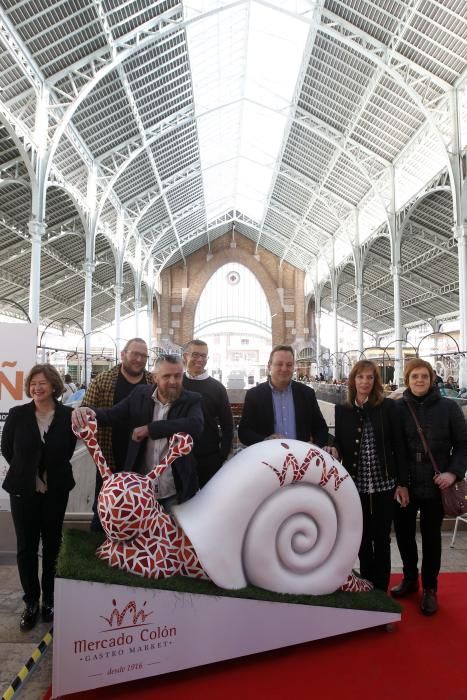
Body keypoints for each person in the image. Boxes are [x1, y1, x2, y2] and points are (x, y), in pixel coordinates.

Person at [72, 354, 204, 511]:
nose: (173, 381)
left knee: (172, 533)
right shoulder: (139, 394)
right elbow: (112, 415)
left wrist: (150, 429)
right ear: (155, 377)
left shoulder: (192, 399)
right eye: (166, 376)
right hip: (140, 490)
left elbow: (196, 425)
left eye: (178, 376)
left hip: (175, 488)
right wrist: (86, 411)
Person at [1, 364, 77, 631]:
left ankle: (50, 600)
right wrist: (30, 473)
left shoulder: (68, 415)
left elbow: (67, 450)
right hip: (24, 490)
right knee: (26, 547)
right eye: (33, 383)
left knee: (53, 544)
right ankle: (31, 601)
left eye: (42, 383)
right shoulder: (18, 414)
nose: (37, 387)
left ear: (54, 385)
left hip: (56, 489)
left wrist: (47, 473)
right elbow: (7, 448)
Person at [391, 358, 467, 615]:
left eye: (424, 376)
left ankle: (431, 588)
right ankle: (411, 579)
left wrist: (453, 473)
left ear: (431, 379)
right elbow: (394, 448)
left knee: (432, 538)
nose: (420, 380)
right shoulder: (398, 408)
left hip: (436, 485)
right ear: (407, 380)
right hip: (406, 485)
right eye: (414, 377)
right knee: (403, 535)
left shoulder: (449, 408)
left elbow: (463, 444)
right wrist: (399, 482)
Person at [324, 360, 409, 592]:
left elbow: (399, 445)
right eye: (360, 377)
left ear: (375, 381)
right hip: (357, 485)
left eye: (370, 377)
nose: (365, 382)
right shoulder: (343, 409)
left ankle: (381, 591)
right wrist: (334, 447)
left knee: (381, 539)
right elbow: (340, 440)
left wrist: (402, 483)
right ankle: (367, 587)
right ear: (353, 380)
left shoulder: (388, 407)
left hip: (384, 484)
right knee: (361, 539)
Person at [82, 337, 154, 530]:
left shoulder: (153, 382)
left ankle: (132, 552)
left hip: (142, 460)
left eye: (143, 356)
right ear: (123, 354)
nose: (139, 359)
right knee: (104, 506)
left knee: (139, 509)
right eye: (135, 354)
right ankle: (99, 549)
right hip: (108, 458)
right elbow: (85, 413)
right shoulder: (103, 381)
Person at [238, 344, 328, 446]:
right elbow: (244, 432)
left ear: (293, 367)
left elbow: (321, 429)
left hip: (300, 458)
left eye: (289, 365)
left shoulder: (307, 394)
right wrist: (265, 440)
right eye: (279, 364)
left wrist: (314, 447)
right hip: (268, 458)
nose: (284, 369)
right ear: (269, 366)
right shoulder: (254, 395)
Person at [182, 339, 233, 487]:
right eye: (195, 355)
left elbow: (227, 425)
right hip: (179, 456)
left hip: (209, 457)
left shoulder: (217, 388)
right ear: (185, 356)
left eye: (204, 356)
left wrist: (221, 456)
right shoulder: (177, 383)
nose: (200, 360)